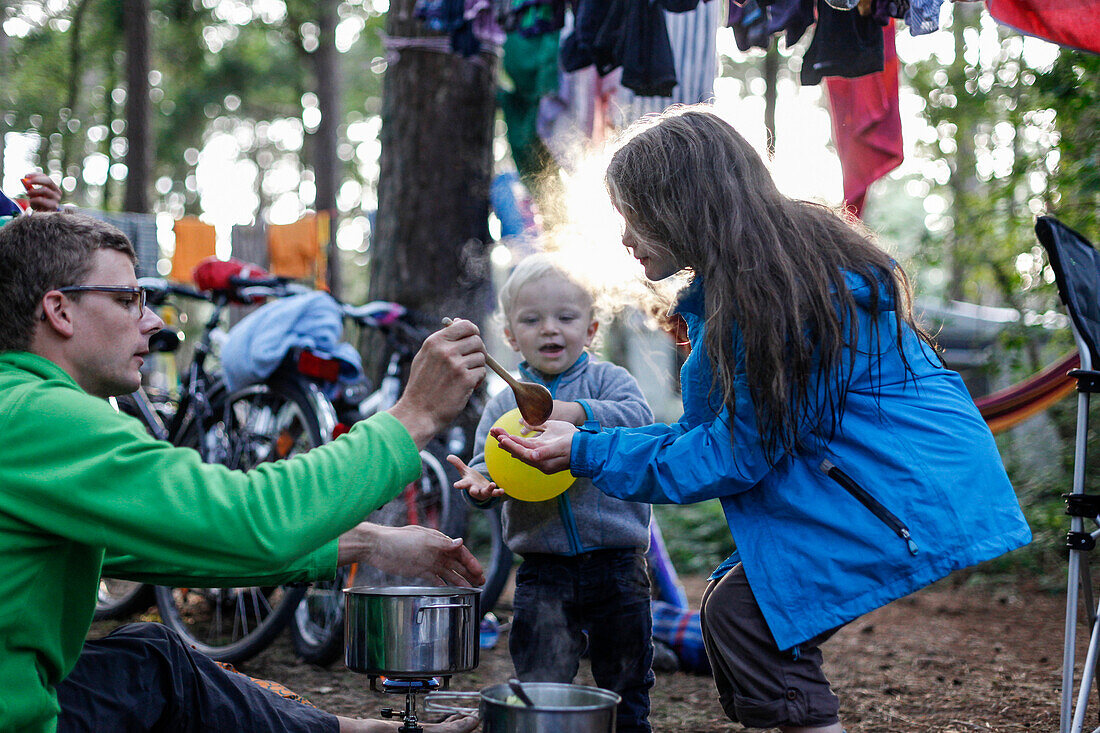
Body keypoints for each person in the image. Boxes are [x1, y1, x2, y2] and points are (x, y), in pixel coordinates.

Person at [490, 106, 1033, 733]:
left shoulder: (788, 293)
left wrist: (584, 451)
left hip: (903, 488)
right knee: (735, 610)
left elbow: (732, 456)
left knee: (748, 617)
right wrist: (584, 441)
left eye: (631, 216)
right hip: (866, 482)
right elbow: (704, 440)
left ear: (679, 208)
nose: (624, 236)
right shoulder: (747, 284)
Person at [0, 211, 486, 733]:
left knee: (155, 661)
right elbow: (246, 522)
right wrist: (413, 417)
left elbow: (185, 540)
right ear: (59, 311)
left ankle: (364, 731)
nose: (153, 320)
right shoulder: (38, 417)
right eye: (126, 299)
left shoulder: (20, 408)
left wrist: (370, 544)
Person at [447, 253, 656, 733]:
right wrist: (479, 488)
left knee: (626, 681)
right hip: (542, 568)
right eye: (532, 319)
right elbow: (485, 463)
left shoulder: (609, 381)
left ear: (591, 328)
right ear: (510, 335)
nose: (550, 329)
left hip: (618, 561)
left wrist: (574, 411)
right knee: (540, 678)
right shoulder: (503, 402)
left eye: (566, 317)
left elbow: (640, 424)